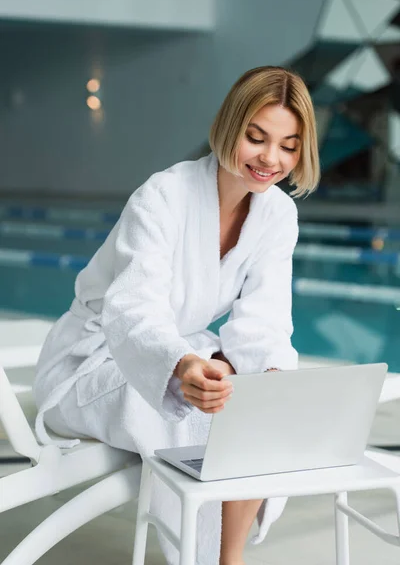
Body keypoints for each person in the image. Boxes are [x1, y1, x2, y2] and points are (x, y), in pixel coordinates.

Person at [33, 65, 320, 565]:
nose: (270, 159)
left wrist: (271, 383)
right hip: (94, 362)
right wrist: (182, 366)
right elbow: (133, 310)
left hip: (180, 352)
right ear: (231, 125)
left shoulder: (278, 214)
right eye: (256, 137)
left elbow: (265, 322)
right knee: (198, 414)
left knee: (253, 398)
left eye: (289, 145)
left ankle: (228, 560)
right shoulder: (163, 195)